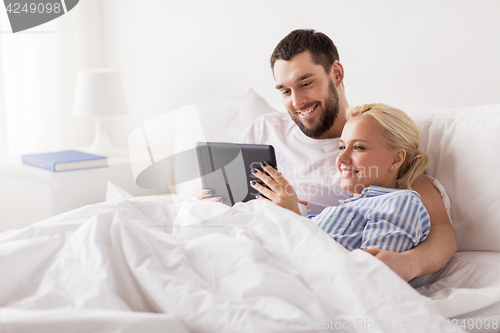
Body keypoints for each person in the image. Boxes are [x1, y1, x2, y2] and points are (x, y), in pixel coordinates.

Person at [197, 29, 457, 282]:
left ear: (336, 73)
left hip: (294, 265)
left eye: (306, 83)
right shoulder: (263, 129)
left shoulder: (373, 143)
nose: (297, 101)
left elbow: (442, 232)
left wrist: (411, 263)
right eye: (285, 91)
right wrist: (202, 202)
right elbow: (216, 202)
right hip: (238, 248)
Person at [249, 103, 431, 253]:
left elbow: (371, 277)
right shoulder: (339, 209)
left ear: (397, 158)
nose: (341, 159)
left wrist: (294, 219)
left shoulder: (401, 203)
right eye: (342, 147)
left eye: (358, 147)